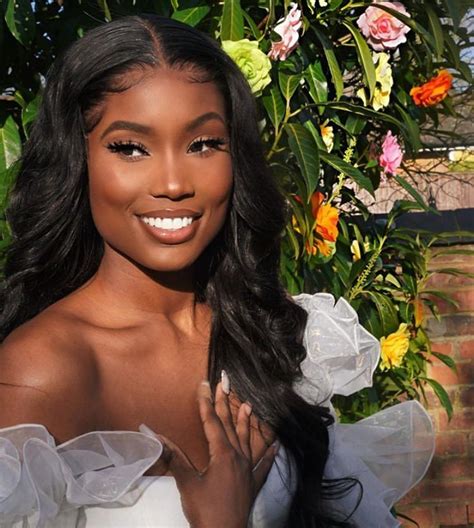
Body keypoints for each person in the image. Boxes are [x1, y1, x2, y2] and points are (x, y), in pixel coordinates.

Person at [0, 14, 434, 528]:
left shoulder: (270, 331)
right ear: (78, 160)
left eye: (203, 144)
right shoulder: (42, 372)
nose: (174, 182)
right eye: (130, 148)